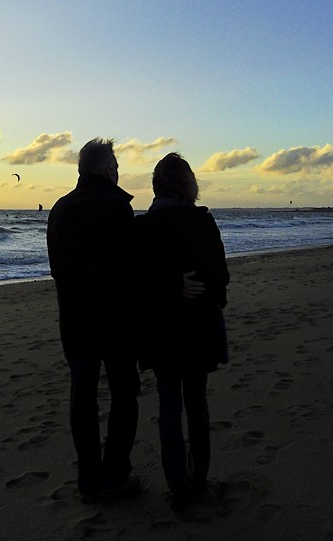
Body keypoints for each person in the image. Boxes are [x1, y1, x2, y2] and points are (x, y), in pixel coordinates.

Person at [46, 138, 144, 504]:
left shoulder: (60, 209)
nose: (118, 173)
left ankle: (88, 481)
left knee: (83, 397)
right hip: (115, 321)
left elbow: (58, 269)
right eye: (116, 167)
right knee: (124, 394)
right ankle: (116, 475)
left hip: (75, 319)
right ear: (106, 169)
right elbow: (130, 267)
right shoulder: (117, 206)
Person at [133, 153, 229, 511]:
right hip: (199, 329)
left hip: (163, 332)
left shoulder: (144, 227)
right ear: (189, 186)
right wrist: (186, 286)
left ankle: (178, 486)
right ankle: (198, 480)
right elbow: (221, 280)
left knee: (170, 407)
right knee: (196, 404)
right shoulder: (203, 222)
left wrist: (174, 287)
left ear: (157, 186)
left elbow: (136, 283)